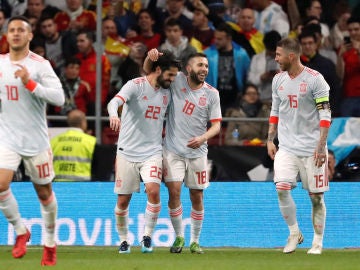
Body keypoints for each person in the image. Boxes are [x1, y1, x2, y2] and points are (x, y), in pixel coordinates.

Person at [0, 15, 65, 265]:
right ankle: (20, 231)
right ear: (7, 35)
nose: (16, 33)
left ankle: (49, 242)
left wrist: (30, 84)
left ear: (29, 36)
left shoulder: (40, 65)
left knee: (44, 192)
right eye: (12, 29)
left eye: (21, 30)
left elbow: (59, 99)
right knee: (1, 184)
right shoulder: (1, 63)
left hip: (36, 141)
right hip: (7, 138)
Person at [144, 49, 222, 254]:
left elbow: (216, 126)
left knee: (197, 196)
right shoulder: (176, 80)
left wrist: (202, 138)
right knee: (174, 192)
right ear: (188, 69)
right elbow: (149, 72)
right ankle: (179, 236)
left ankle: (195, 241)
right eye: (200, 65)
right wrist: (150, 57)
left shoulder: (212, 94)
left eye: (206, 65)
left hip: (198, 152)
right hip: (172, 151)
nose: (204, 69)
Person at [107, 50, 181, 254]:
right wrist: (114, 115)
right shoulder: (135, 85)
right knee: (123, 200)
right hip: (126, 152)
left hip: (152, 152)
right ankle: (123, 240)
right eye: (170, 75)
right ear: (158, 70)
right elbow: (114, 102)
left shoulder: (168, 92)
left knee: (154, 191)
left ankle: (147, 236)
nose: (172, 79)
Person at [267, 37, 331, 255]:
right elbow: (275, 111)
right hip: (287, 148)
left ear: (291, 56)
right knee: (281, 188)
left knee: (316, 198)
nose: (275, 59)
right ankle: (294, 232)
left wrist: (321, 146)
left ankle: (318, 242)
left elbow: (325, 115)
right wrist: (270, 139)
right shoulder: (278, 80)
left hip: (312, 149)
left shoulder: (316, 80)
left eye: (278, 55)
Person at [204, 22, 250, 115]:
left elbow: (247, 76)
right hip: (212, 98)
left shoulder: (242, 54)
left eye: (220, 39)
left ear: (229, 38)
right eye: (215, 38)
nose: (216, 41)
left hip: (235, 99)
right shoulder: (207, 54)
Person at [51, 109, 97, 181]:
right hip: (83, 187)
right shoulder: (91, 142)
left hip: (58, 186)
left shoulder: (54, 141)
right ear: (83, 123)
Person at [247, 30, 281, 104]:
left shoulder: (287, 59)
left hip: (279, 100)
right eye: (270, 50)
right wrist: (261, 77)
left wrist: (282, 76)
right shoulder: (256, 59)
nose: (273, 53)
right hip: (260, 100)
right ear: (265, 46)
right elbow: (250, 79)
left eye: (275, 50)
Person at [336, 16, 360, 117]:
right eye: (350, 30)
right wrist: (340, 56)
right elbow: (339, 75)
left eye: (356, 29)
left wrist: (358, 50)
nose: (353, 32)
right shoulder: (344, 49)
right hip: (348, 97)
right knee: (347, 130)